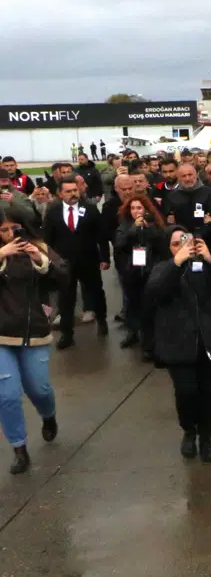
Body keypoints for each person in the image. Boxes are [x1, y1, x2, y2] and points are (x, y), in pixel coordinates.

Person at [145, 227, 211, 463]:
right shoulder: (163, 268)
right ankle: (189, 430)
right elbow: (155, 291)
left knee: (207, 392)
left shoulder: (204, 266)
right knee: (186, 391)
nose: (182, 246)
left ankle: (206, 438)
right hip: (177, 343)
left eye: (185, 241)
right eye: (176, 243)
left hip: (207, 341)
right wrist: (177, 263)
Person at [0, 201, 64, 474]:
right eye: (3, 230)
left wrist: (40, 260)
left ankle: (48, 416)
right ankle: (19, 448)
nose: (10, 235)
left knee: (39, 388)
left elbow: (64, 278)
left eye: (14, 228)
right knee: (7, 395)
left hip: (34, 331)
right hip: (1, 335)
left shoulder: (38, 247)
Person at [43, 177, 109, 349]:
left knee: (96, 293)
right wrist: (52, 261)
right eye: (68, 191)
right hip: (64, 265)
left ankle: (102, 320)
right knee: (66, 299)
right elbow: (47, 241)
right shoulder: (53, 213)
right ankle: (67, 334)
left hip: (89, 261)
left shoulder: (91, 210)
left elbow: (101, 236)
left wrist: (105, 258)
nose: (73, 194)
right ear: (60, 193)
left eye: (75, 190)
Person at [113, 194, 165, 350]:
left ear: (146, 210)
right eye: (133, 208)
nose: (136, 211)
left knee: (149, 304)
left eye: (139, 208)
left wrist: (147, 227)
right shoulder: (124, 226)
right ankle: (133, 333)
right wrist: (134, 229)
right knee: (132, 304)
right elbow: (119, 244)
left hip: (150, 270)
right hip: (131, 271)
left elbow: (160, 242)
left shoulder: (154, 224)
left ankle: (150, 338)